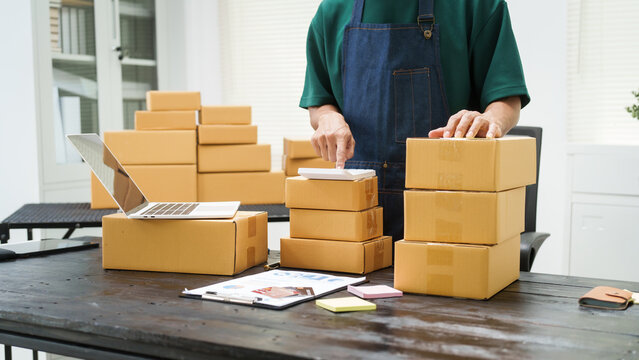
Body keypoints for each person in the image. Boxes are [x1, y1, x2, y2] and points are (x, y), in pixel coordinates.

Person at [300, 0, 529, 240]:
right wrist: (327, 117)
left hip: (450, 214)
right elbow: (320, 100)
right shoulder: (332, 11)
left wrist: (490, 119)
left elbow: (507, 98)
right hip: (357, 220)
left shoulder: (477, 6)